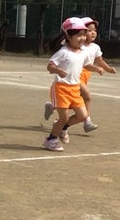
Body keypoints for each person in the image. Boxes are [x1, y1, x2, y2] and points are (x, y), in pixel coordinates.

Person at [42, 16, 105, 152]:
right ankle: (51, 139)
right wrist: (57, 70)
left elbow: (87, 65)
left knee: (82, 116)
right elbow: (50, 66)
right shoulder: (63, 52)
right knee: (63, 117)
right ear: (68, 37)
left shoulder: (82, 52)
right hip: (61, 88)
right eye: (78, 35)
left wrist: (97, 68)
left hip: (75, 89)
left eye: (84, 34)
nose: (82, 38)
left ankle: (63, 128)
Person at [43, 18, 116, 126]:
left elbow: (99, 60)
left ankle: (53, 107)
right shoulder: (77, 47)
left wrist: (107, 69)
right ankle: (87, 121)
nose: (93, 33)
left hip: (85, 75)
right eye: (89, 30)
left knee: (75, 101)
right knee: (87, 96)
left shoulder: (95, 47)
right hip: (77, 75)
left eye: (95, 30)